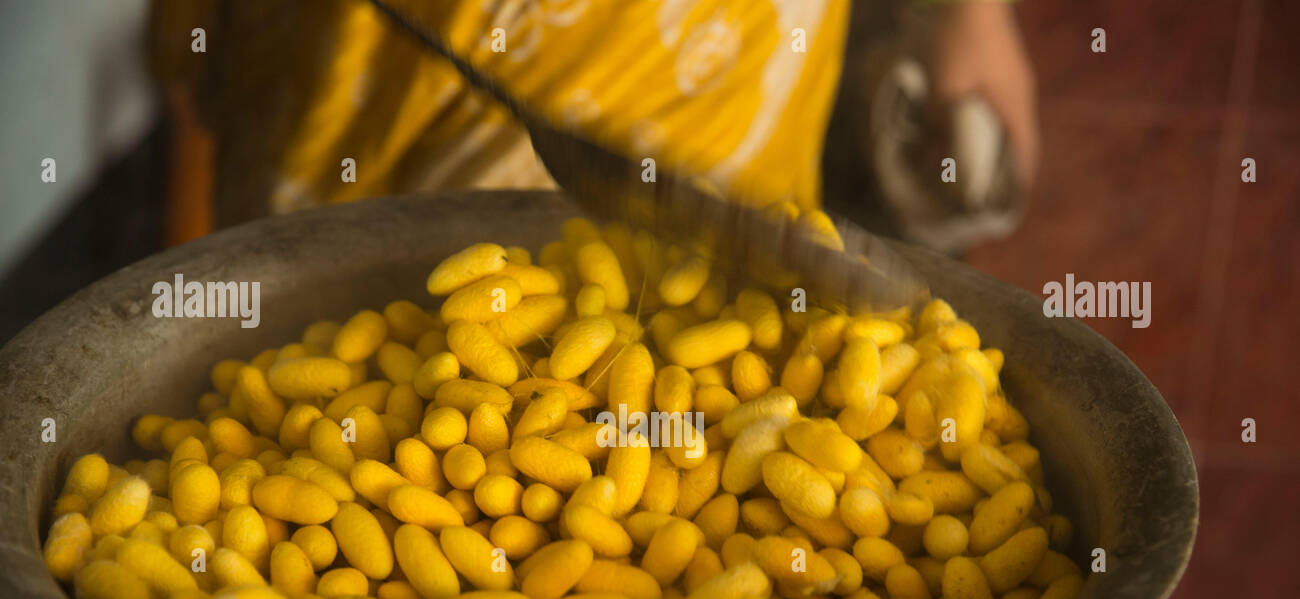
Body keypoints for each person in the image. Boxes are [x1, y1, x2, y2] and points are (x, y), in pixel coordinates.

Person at [151, 0, 1037, 247]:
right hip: (402, 44)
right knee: (340, 336)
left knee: (688, 407)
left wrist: (978, 10)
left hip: (723, 35)